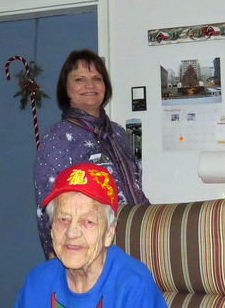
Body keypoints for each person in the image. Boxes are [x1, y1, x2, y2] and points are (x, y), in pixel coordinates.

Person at [34, 50, 148, 257]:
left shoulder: (119, 133)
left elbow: (137, 185)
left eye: (97, 78)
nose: (90, 85)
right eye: (79, 79)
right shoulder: (58, 136)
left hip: (136, 237)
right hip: (88, 246)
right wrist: (56, 255)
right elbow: (48, 204)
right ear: (66, 89)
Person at [15, 162, 166, 308]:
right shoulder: (36, 282)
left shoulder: (133, 286)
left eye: (88, 222)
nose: (71, 233)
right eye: (63, 219)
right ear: (51, 229)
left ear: (109, 232)